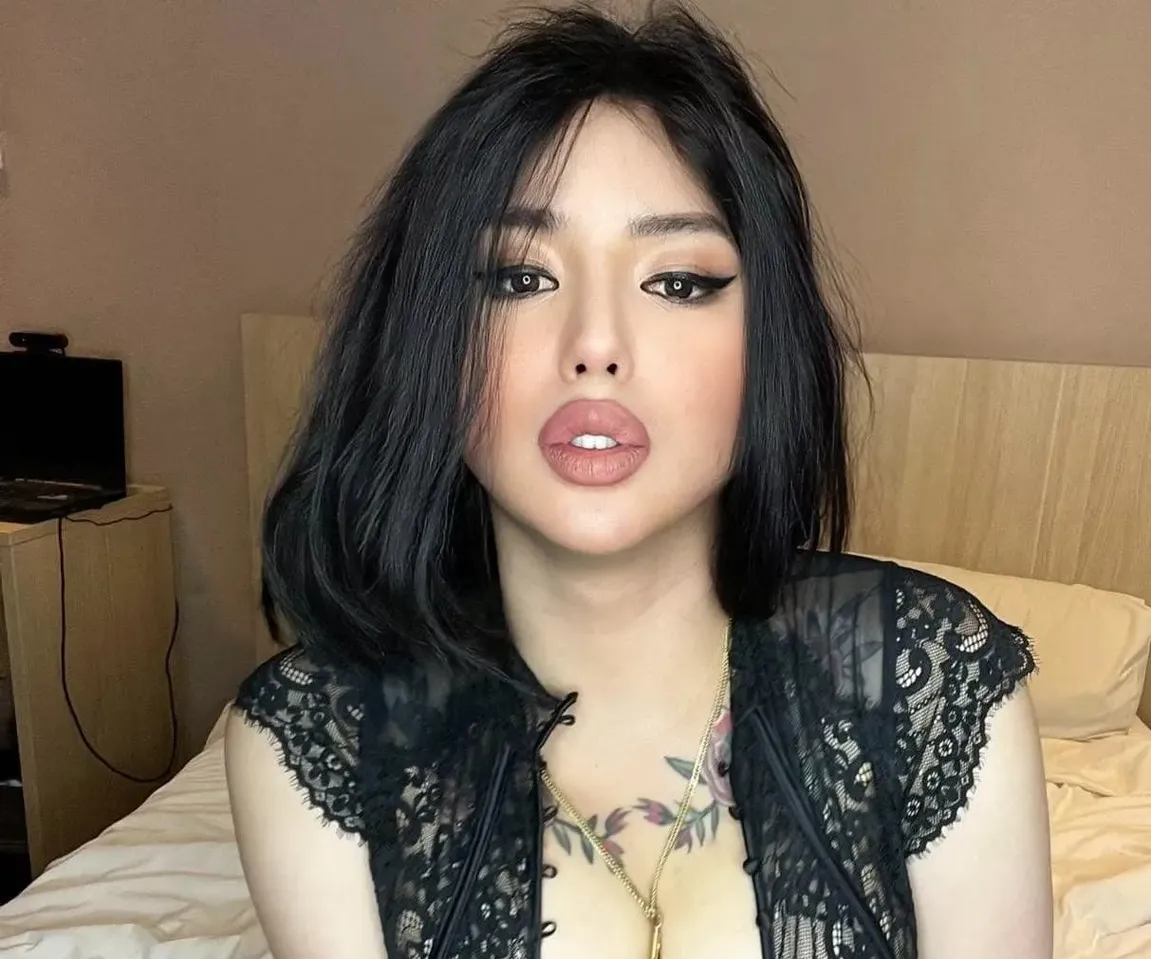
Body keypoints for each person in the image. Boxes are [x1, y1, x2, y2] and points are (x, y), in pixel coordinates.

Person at [224, 4, 1053, 958]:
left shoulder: (932, 681)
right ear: (427, 338)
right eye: (517, 277)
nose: (596, 345)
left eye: (678, 282)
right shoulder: (315, 737)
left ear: (767, 341)